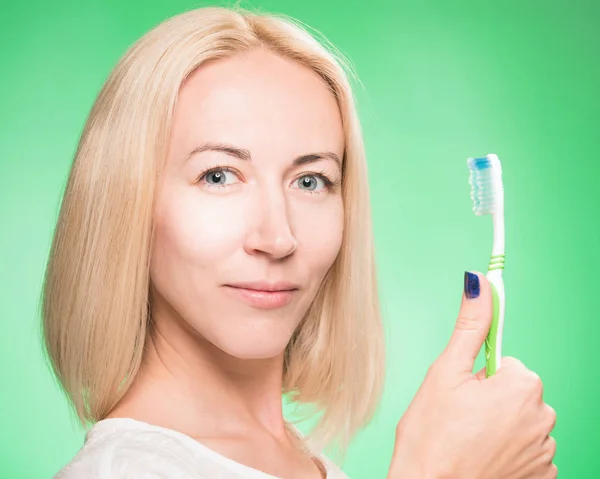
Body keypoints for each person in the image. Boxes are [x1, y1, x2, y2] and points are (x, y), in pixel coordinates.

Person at [42, 5, 556, 479]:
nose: (278, 237)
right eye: (219, 175)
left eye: (310, 181)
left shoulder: (309, 465)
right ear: (124, 204)